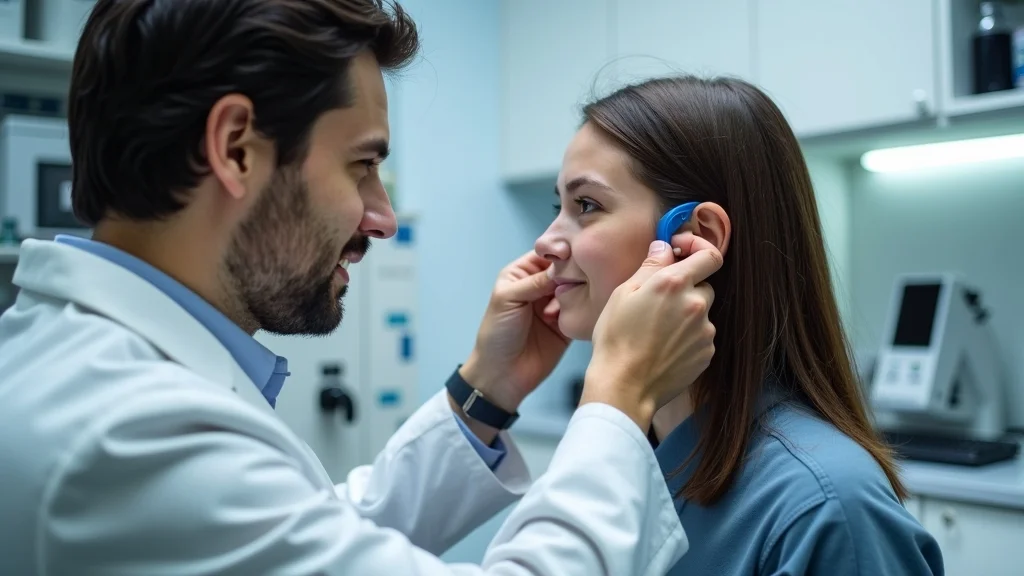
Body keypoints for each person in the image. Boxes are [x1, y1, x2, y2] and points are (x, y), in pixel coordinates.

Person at [0, 2, 725, 575]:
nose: (381, 217)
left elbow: (319, 534)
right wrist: (617, 400)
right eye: (361, 166)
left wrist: (485, 393)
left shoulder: (85, 374)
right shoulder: (128, 432)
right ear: (234, 149)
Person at [535, 75, 945, 576]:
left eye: (587, 206)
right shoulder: (622, 464)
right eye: (559, 207)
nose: (547, 242)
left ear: (694, 237)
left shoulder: (826, 507)